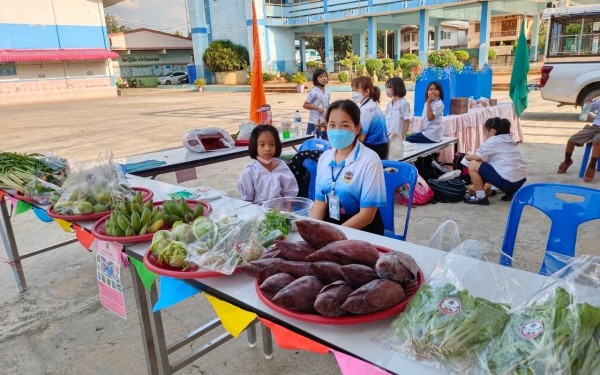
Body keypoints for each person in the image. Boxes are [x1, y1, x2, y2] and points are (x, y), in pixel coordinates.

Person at [311, 99, 387, 234]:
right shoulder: (324, 158)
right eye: (332, 125)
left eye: (344, 126)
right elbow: (320, 202)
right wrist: (313, 231)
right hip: (332, 224)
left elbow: (366, 216)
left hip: (362, 229)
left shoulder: (370, 160)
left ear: (357, 128)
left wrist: (334, 235)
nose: (337, 131)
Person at [463, 117, 527, 205]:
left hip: (508, 182)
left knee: (473, 164)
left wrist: (466, 157)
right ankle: (510, 192)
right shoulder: (509, 138)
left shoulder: (494, 140)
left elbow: (478, 157)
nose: (485, 134)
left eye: (485, 132)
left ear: (492, 131)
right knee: (493, 166)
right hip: (520, 181)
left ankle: (481, 197)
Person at [238, 125, 299, 203]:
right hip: (259, 212)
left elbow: (289, 196)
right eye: (262, 145)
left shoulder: (282, 167)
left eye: (272, 144)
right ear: (255, 146)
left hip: (280, 212)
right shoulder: (250, 172)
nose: (267, 149)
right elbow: (247, 201)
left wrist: (287, 211)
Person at [557, 98, 600, 183]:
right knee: (571, 140)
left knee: (597, 142)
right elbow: (587, 111)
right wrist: (588, 104)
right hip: (594, 127)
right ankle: (567, 161)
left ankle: (592, 166)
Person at [351, 76, 389, 160]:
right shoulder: (372, 104)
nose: (353, 93)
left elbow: (362, 137)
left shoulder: (365, 110)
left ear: (367, 91)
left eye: (356, 90)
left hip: (373, 147)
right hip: (382, 146)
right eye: (353, 90)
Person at [303, 68, 330, 139]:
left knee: (324, 141)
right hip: (314, 122)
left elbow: (327, 103)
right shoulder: (313, 92)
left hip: (324, 122)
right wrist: (317, 108)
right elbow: (305, 105)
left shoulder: (327, 91)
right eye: (321, 77)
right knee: (314, 142)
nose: (324, 78)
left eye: (325, 76)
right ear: (316, 79)